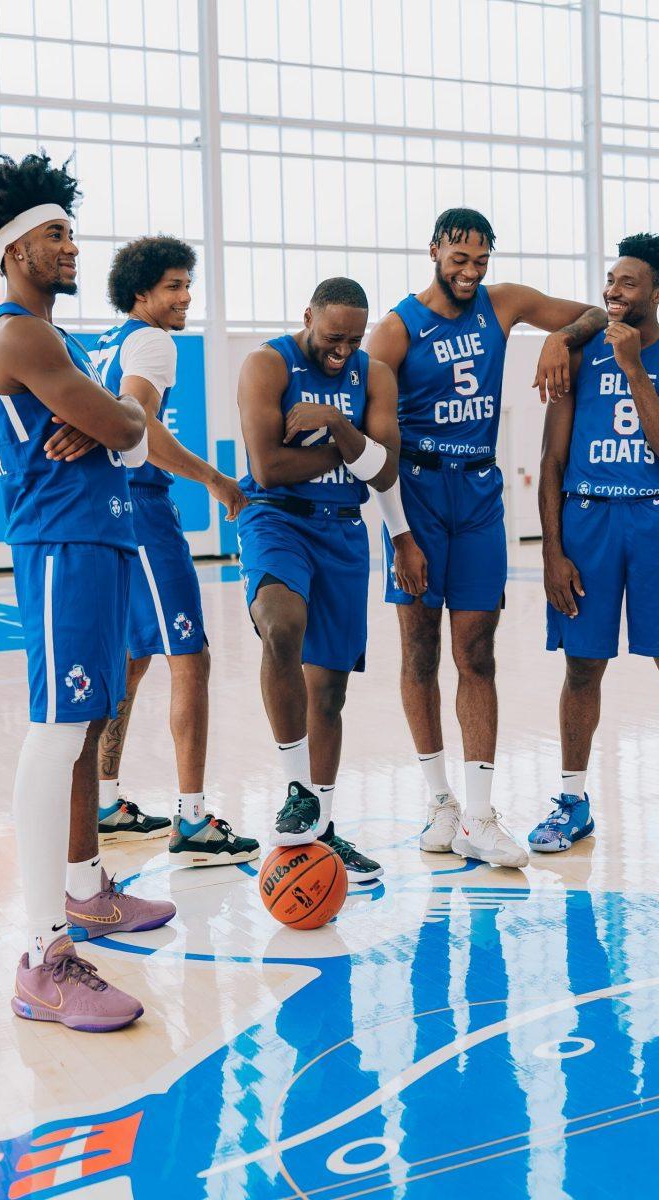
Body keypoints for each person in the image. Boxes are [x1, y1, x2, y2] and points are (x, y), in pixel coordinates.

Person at [0, 152, 176, 1032]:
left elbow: (125, 430)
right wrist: (112, 422)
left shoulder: (62, 339)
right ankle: (43, 954)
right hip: (60, 542)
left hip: (101, 534)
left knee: (83, 732)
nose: (71, 245)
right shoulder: (23, 334)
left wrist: (114, 425)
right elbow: (128, 424)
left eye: (72, 230)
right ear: (13, 249)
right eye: (55, 234)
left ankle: (85, 889)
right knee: (55, 734)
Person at [367, 207, 608, 868]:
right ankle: (439, 801)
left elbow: (595, 313)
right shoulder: (393, 332)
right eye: (458, 260)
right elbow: (376, 446)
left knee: (477, 652)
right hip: (414, 492)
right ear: (434, 251)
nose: (469, 273)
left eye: (480, 261)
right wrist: (398, 534)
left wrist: (560, 340)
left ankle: (478, 813)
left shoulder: (504, 304)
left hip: (477, 495)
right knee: (418, 650)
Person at [529, 233, 659, 860]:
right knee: (582, 665)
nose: (612, 292)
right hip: (587, 521)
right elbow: (552, 457)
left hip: (657, 522)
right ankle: (572, 801)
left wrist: (633, 369)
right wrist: (551, 552)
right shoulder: (579, 348)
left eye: (628, 283)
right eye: (610, 281)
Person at [93, 236, 259, 866]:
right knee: (190, 657)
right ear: (142, 294)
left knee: (134, 658)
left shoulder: (102, 345)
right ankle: (192, 821)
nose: (186, 297)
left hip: (109, 508)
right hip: (141, 507)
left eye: (188, 285)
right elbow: (141, 426)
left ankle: (105, 802)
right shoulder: (151, 341)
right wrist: (214, 478)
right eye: (173, 286)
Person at [236, 277, 405, 882]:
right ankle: (295, 789)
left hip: (341, 531)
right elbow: (270, 467)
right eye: (333, 336)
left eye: (354, 339)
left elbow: (386, 470)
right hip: (274, 518)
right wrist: (356, 451)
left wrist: (336, 424)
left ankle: (324, 830)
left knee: (329, 692)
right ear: (307, 315)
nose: (343, 349)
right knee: (282, 627)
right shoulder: (266, 365)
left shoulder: (374, 375)